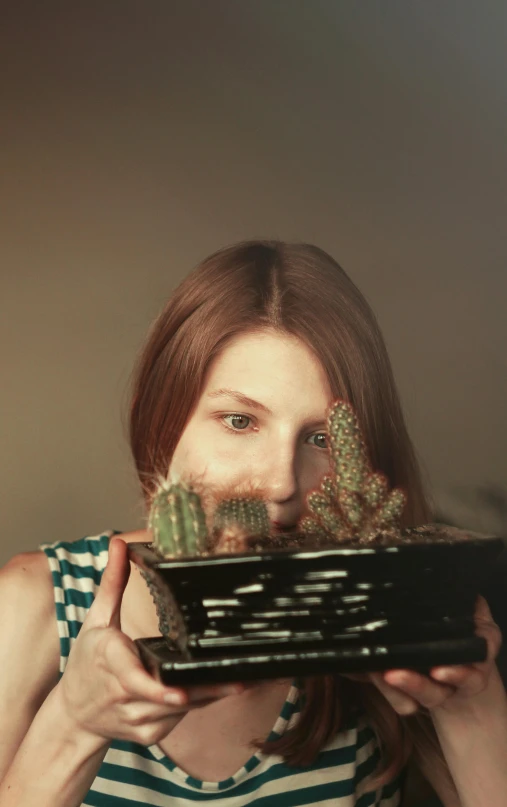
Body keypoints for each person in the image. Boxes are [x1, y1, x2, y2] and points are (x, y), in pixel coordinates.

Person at [0, 241, 505, 807]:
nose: (280, 483)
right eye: (239, 421)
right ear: (165, 422)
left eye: (320, 438)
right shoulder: (32, 606)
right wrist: (74, 722)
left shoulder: (374, 613)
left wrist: (469, 705)